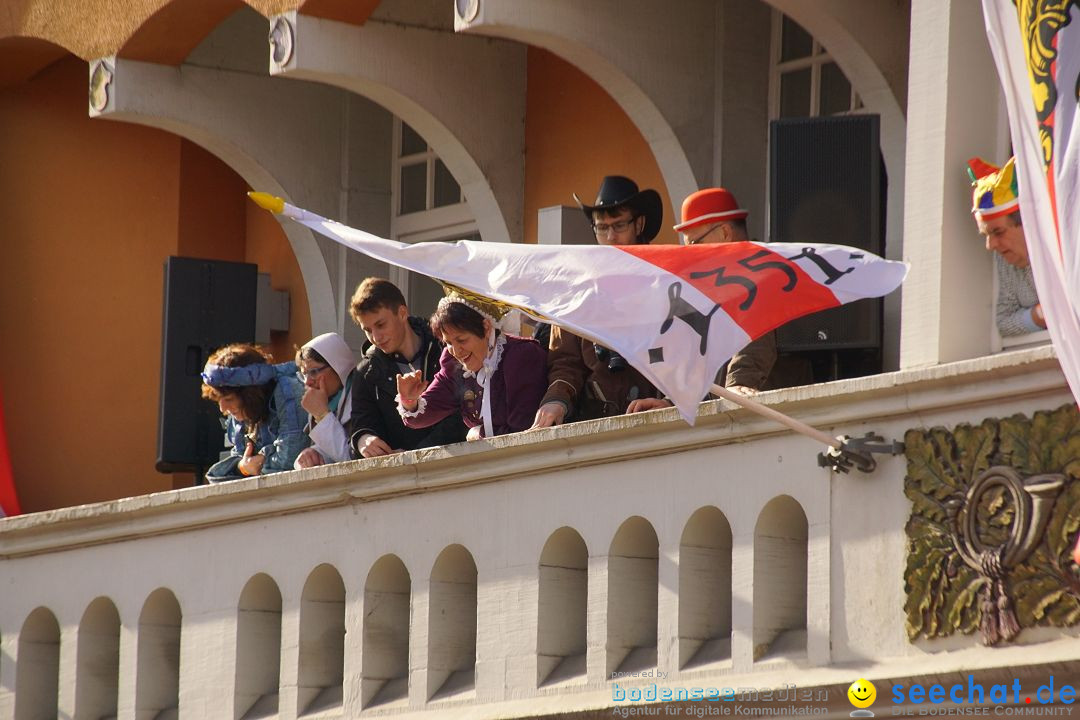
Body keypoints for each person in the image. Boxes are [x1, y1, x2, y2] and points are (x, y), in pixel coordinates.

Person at [532, 176, 666, 427]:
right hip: (596, 427)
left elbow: (692, 356)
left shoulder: (667, 281)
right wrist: (556, 401)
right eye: (602, 228)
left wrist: (670, 402)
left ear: (639, 224)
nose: (610, 236)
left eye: (618, 226)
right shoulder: (577, 288)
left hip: (660, 421)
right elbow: (565, 363)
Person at [397, 290, 547, 438]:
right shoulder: (453, 364)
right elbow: (421, 416)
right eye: (448, 342)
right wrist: (409, 400)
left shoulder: (521, 356)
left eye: (462, 340)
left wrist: (479, 433)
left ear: (486, 328)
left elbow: (523, 432)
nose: (456, 351)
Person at [348, 278, 467, 458]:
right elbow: (361, 424)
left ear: (402, 313)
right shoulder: (365, 372)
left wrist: (416, 454)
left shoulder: (446, 346)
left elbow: (464, 410)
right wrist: (363, 439)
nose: (376, 337)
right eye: (368, 330)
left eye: (380, 325)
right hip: (403, 478)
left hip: (460, 464)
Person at [201, 344, 309, 481]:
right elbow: (219, 476)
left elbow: (289, 462)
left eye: (229, 399)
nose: (222, 409)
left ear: (251, 394)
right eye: (219, 400)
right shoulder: (242, 413)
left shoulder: (288, 391)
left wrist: (258, 464)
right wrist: (242, 467)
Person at [968, 157, 1045, 337]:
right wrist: (1041, 314)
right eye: (986, 235)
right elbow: (1004, 322)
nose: (990, 245)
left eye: (998, 232)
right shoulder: (1006, 259)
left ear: (1028, 223)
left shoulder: (1064, 248)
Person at [293, 332, 357, 469]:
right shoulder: (326, 401)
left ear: (337, 366)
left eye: (314, 372)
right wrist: (311, 453)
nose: (308, 382)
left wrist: (322, 416)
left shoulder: (362, 397)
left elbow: (353, 461)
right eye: (304, 374)